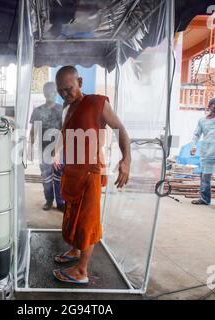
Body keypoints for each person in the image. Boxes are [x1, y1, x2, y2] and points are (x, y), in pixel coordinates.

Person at [52, 66, 131, 284]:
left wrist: (126, 160)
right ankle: (76, 251)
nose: (64, 95)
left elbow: (120, 129)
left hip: (90, 173)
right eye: (61, 91)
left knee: (87, 222)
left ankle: (81, 271)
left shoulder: (98, 102)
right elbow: (64, 133)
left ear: (80, 81)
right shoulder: (67, 109)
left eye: (68, 89)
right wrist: (56, 153)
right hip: (72, 173)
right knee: (72, 216)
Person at [29, 82, 65, 212]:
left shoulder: (61, 110)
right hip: (43, 150)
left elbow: (65, 132)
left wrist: (58, 152)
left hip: (59, 150)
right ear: (45, 94)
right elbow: (33, 131)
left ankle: (61, 202)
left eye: (56, 92)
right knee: (46, 177)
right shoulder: (38, 111)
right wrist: (30, 147)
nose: (55, 95)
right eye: (52, 92)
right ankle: (49, 200)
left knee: (59, 176)